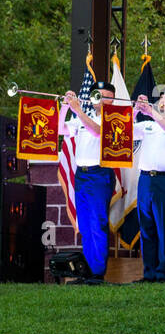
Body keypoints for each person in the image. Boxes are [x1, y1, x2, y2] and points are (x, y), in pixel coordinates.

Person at [59, 81, 116, 280]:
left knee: (97, 222)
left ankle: (97, 273)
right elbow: (60, 130)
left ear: (112, 99)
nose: (98, 99)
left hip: (99, 174)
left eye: (103, 95)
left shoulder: (114, 117)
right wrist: (65, 106)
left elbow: (98, 131)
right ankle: (88, 271)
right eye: (96, 95)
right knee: (84, 224)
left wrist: (78, 111)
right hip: (82, 174)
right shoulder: (86, 116)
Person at [132, 86, 165, 282]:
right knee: (146, 228)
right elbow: (124, 129)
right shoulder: (149, 124)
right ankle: (149, 273)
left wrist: (152, 113)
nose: (162, 100)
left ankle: (164, 273)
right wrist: (137, 110)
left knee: (164, 228)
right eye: (161, 97)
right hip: (146, 178)